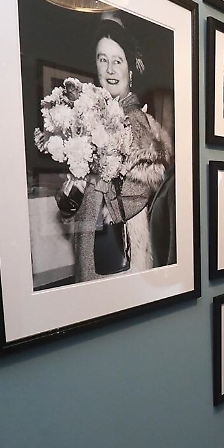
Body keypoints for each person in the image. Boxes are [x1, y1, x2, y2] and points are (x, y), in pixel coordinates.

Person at [47, 14, 171, 282]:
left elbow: (144, 190)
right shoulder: (90, 116)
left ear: (130, 70)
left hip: (123, 253)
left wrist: (97, 177)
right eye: (103, 60)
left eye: (118, 60)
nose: (110, 69)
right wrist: (74, 186)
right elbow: (73, 204)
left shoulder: (137, 120)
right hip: (91, 246)